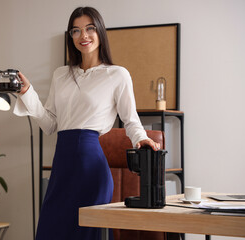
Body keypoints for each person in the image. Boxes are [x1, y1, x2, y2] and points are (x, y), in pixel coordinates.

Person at [13, 6, 160, 240]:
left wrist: (142, 138)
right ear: (70, 36)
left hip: (91, 169)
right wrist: (27, 93)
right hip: (62, 166)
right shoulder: (61, 75)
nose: (84, 36)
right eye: (76, 31)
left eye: (90, 28)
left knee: (87, 235)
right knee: (50, 232)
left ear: (100, 31)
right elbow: (50, 124)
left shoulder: (117, 75)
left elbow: (131, 121)